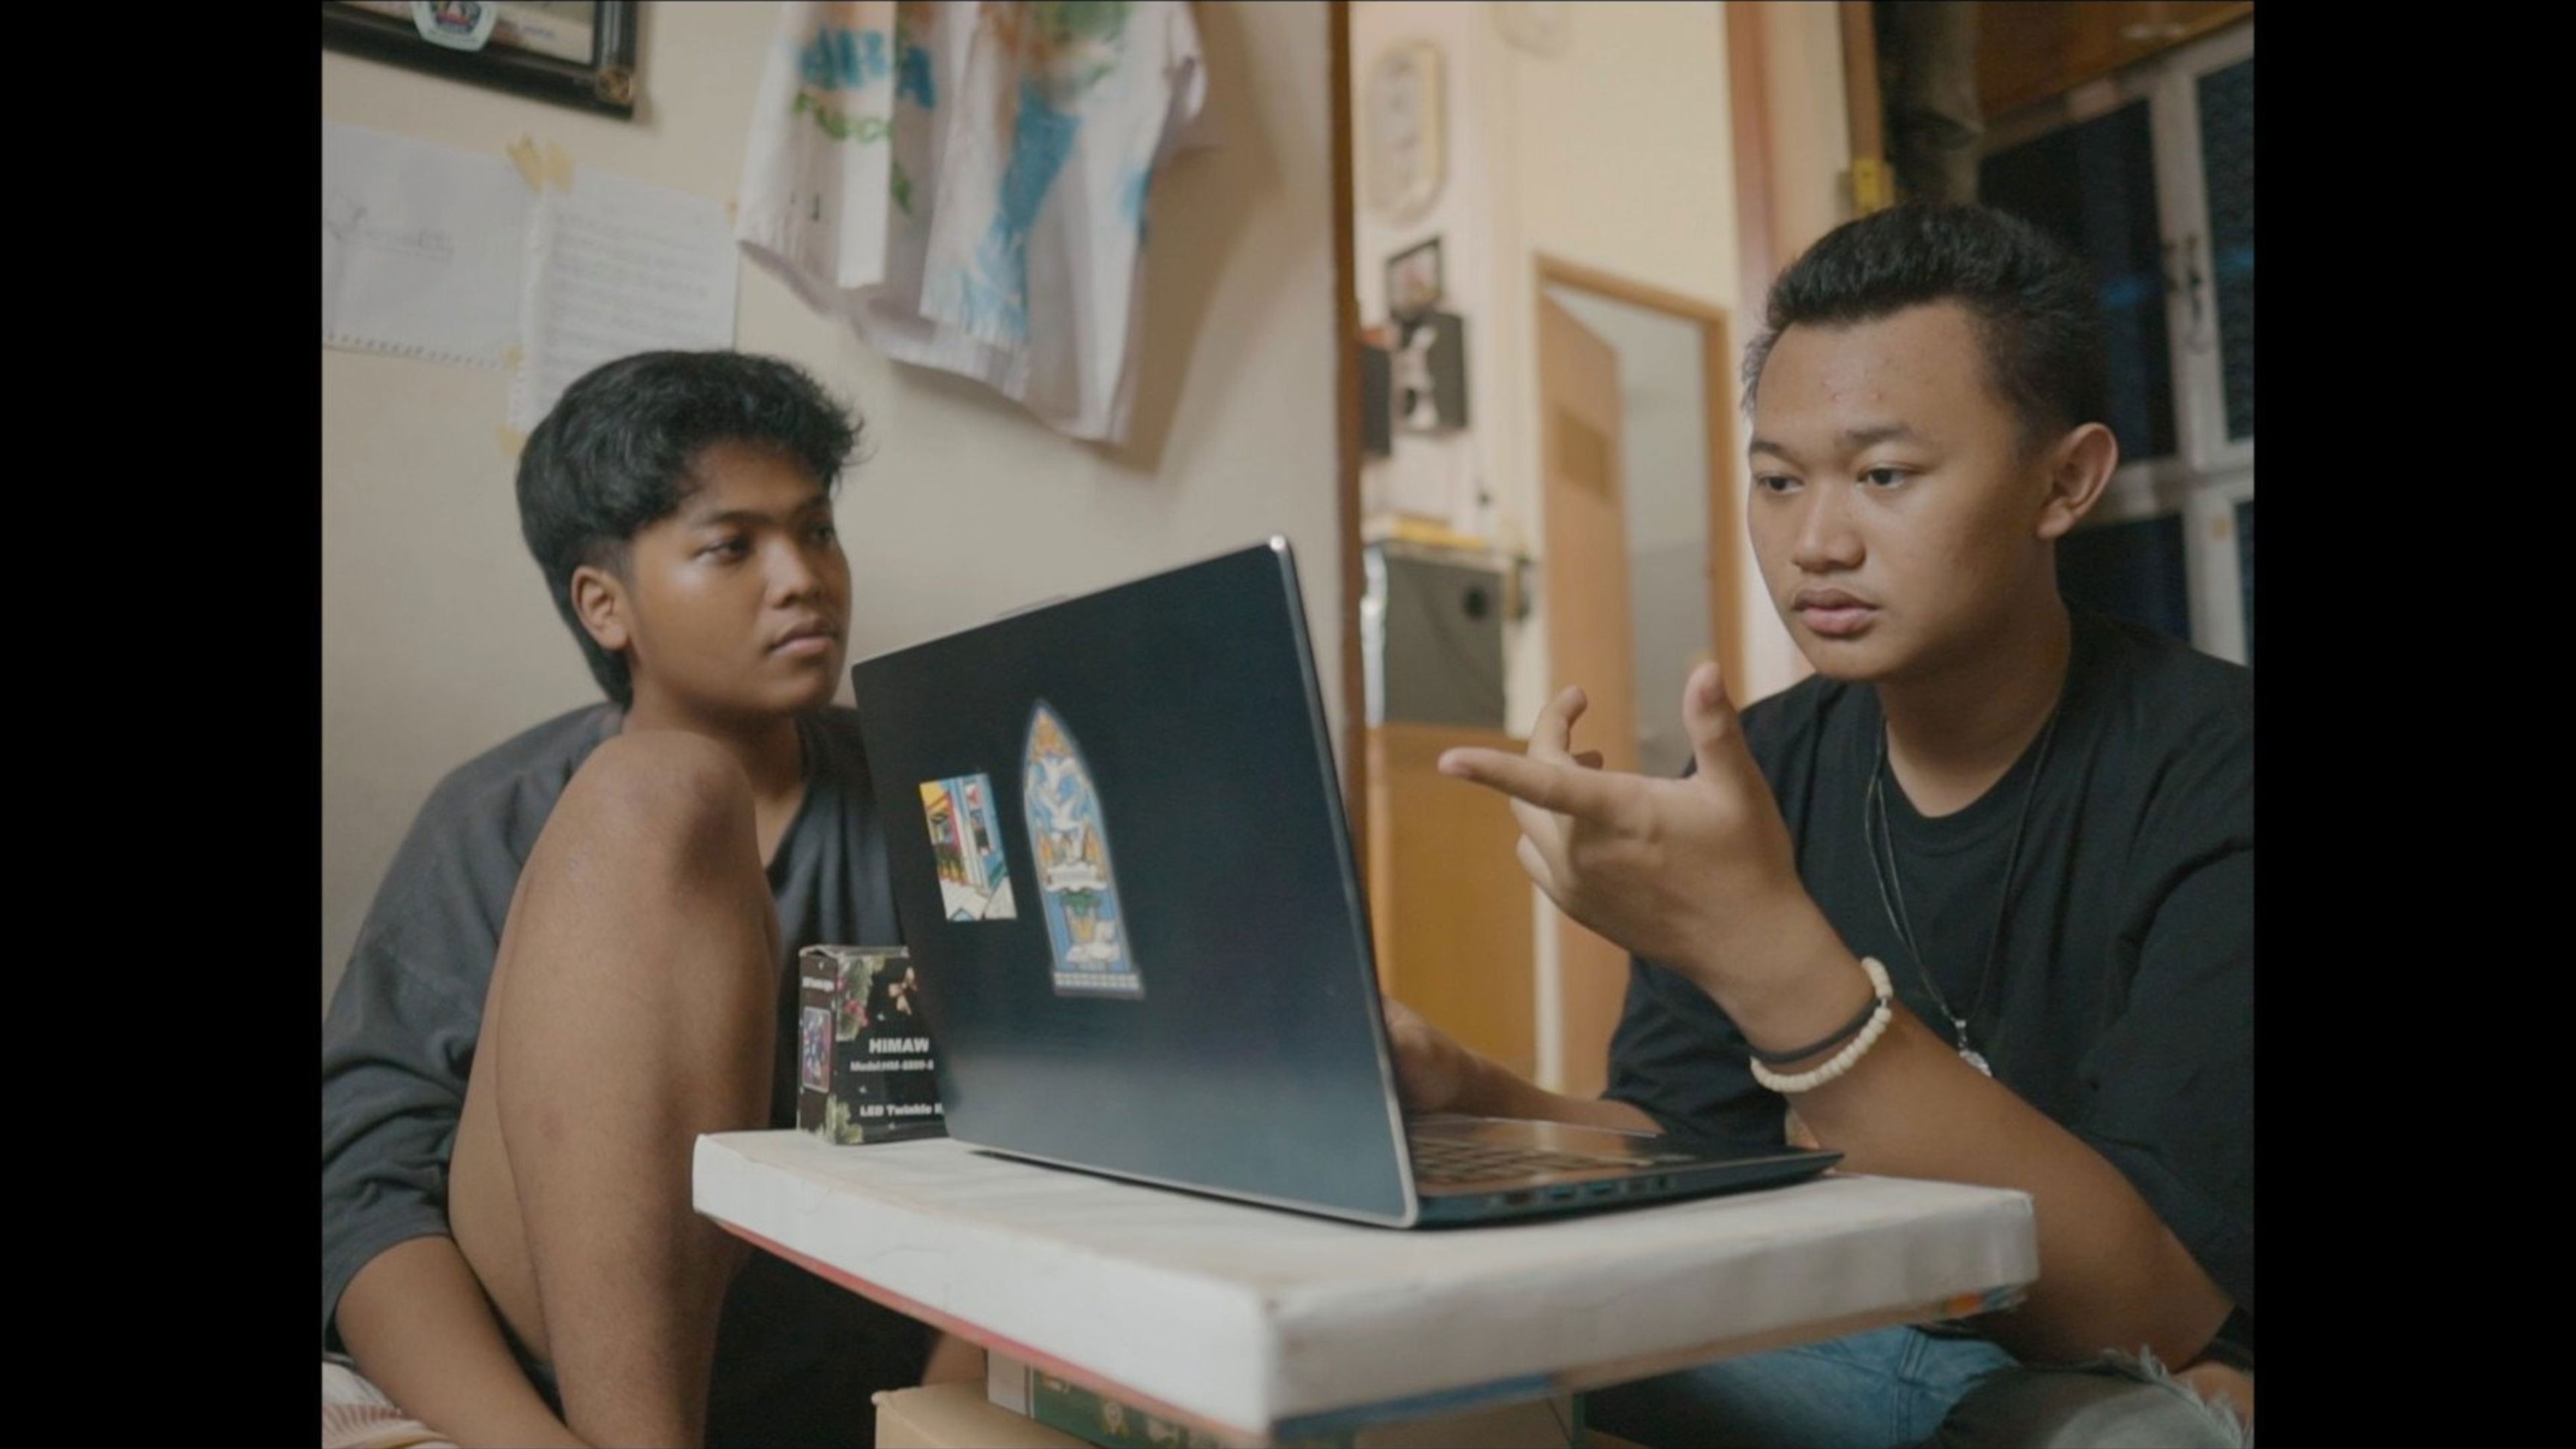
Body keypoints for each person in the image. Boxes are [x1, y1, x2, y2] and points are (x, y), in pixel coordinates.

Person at [1387, 205, 2253, 1448]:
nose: (1816, 544)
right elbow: (1694, 1151)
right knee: (1435, 1345)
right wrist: (1464, 1094)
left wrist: (1760, 948)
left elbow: (2145, 1310)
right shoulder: (1763, 769)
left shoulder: (2214, 767)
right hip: (1844, 1336)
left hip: (2087, 1362)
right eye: (1779, 481)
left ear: (2064, 482)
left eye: (1884, 476)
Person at [323, 350, 943, 1448]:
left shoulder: (935, 796)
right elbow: (362, 1190)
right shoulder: (495, 818)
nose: (802, 578)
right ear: (605, 605)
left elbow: (1060, 1136)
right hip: (567, 1375)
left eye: (817, 530)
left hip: (855, 1372)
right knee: (660, 791)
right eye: (732, 546)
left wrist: (947, 1422)